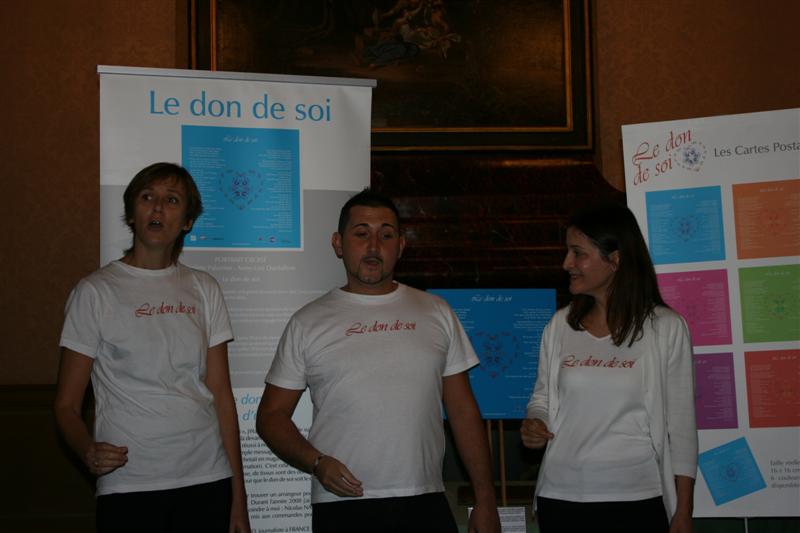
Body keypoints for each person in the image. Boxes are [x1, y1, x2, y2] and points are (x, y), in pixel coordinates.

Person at [256, 189, 500, 533]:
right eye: (361, 234)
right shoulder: (307, 322)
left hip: (425, 500)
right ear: (338, 243)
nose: (373, 247)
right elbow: (270, 416)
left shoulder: (436, 311)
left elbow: (462, 410)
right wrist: (317, 463)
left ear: (400, 245)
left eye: (385, 235)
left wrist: (485, 498)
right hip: (342, 504)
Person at [54, 162, 250, 533]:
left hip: (207, 478)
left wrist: (238, 497)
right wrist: (86, 449)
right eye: (147, 197)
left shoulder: (204, 288)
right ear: (132, 213)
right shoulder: (95, 291)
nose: (158, 207)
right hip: (130, 483)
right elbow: (66, 405)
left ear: (187, 221)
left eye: (171, 200)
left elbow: (222, 396)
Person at [521, 203, 697, 533]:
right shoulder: (560, 325)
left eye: (578, 253)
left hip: (639, 499)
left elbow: (682, 428)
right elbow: (542, 398)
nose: (566, 263)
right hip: (561, 497)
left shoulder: (666, 328)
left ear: (614, 260)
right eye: (567, 252)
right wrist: (536, 422)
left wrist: (683, 512)